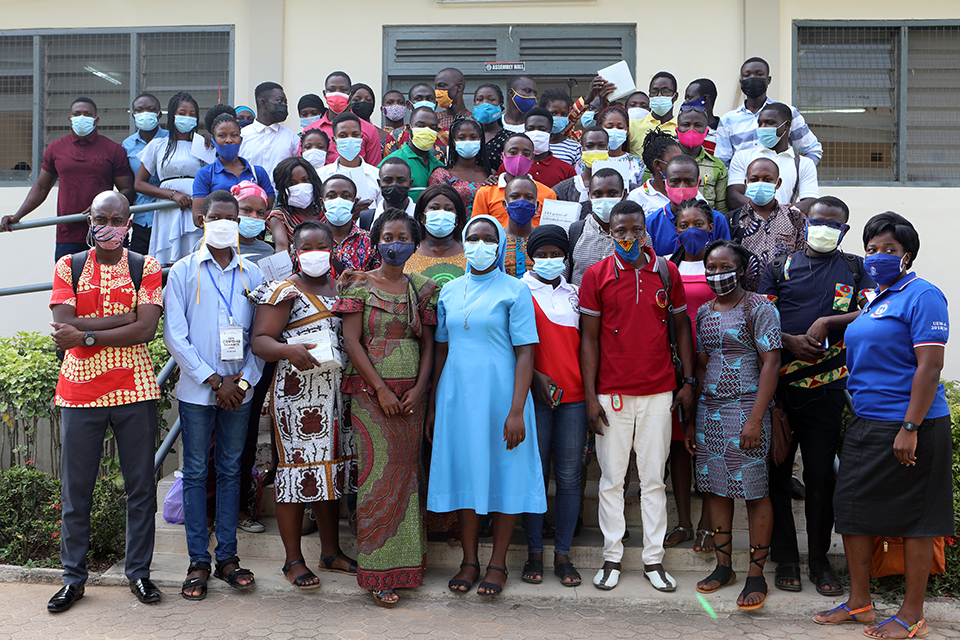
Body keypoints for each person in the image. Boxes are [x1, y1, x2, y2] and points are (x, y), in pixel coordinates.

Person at [814, 212, 951, 639]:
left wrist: (910, 426)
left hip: (912, 425)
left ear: (907, 254)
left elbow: (929, 368)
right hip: (865, 422)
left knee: (915, 521)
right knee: (852, 513)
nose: (877, 257)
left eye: (889, 250)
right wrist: (827, 321)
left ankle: (912, 615)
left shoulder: (923, 295)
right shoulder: (877, 299)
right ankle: (860, 604)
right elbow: (863, 324)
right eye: (871, 250)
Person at [45, 191, 163, 613]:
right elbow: (63, 327)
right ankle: (73, 580)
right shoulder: (69, 264)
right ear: (88, 219)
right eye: (101, 218)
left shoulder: (145, 266)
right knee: (77, 492)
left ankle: (139, 574)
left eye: (118, 218)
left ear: (129, 223)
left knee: (140, 489)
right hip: (79, 393)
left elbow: (146, 331)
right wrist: (122, 320)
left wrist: (88, 333)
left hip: (135, 389)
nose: (109, 226)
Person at [759, 196, 876, 597]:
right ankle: (786, 558)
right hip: (779, 390)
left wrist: (829, 320)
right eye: (817, 220)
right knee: (777, 475)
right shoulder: (779, 267)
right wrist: (787, 340)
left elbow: (874, 309)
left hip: (827, 390)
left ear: (843, 230)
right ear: (805, 223)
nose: (823, 227)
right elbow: (761, 316)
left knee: (822, 478)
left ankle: (820, 561)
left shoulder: (855, 268)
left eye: (833, 223)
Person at [427, 214, 545, 597]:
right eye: (473, 238)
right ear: (465, 242)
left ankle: (497, 564)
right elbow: (441, 351)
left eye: (487, 239)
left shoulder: (515, 290)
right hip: (457, 395)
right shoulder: (448, 290)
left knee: (506, 472)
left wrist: (516, 409)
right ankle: (469, 560)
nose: (480, 246)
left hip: (503, 396)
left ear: (498, 245)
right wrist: (433, 405)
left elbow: (526, 353)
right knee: (465, 473)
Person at [579, 202, 694, 593]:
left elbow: (682, 329)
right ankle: (612, 556)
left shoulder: (666, 271)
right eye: (619, 232)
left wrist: (688, 381)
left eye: (635, 231)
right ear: (610, 233)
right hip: (611, 394)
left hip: (658, 391)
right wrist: (591, 395)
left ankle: (653, 560)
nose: (628, 238)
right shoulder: (596, 274)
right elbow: (589, 339)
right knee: (612, 479)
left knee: (652, 481)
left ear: (646, 231)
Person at [163, 190, 266, 601]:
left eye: (232, 217)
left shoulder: (253, 274)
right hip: (197, 391)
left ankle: (227, 557)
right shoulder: (185, 271)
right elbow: (175, 335)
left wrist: (241, 383)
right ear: (202, 220)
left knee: (230, 470)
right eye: (217, 216)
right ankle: (196, 563)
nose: (225, 223)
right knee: (196, 472)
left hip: (239, 391)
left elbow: (262, 335)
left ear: (239, 223)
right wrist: (212, 380)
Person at [333, 208, 438, 608]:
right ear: (376, 242)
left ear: (414, 243)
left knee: (407, 477)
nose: (396, 244)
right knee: (378, 475)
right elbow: (352, 342)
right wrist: (382, 390)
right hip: (370, 395)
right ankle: (377, 572)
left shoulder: (425, 288)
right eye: (388, 238)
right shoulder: (357, 283)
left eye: (403, 238)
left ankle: (408, 564)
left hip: (412, 396)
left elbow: (428, 344)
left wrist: (419, 389)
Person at [250, 220, 358, 590]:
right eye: (307, 247)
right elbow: (261, 340)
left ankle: (331, 552)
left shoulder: (344, 286)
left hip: (337, 395)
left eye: (321, 246)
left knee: (330, 472)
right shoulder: (284, 290)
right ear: (295, 251)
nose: (315, 253)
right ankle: (293, 559)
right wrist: (287, 351)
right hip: (299, 397)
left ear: (333, 248)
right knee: (298, 473)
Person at [688, 239, 781, 611]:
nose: (717, 273)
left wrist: (756, 418)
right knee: (715, 489)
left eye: (724, 266)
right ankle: (723, 567)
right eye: (710, 267)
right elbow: (700, 363)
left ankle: (756, 574)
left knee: (755, 491)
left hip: (747, 408)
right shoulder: (704, 313)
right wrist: (692, 421)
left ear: (741, 270)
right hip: (709, 410)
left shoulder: (759, 307)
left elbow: (771, 362)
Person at [519, 224, 586, 588]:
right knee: (535, 474)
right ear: (531, 256)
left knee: (570, 477)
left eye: (554, 254)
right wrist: (534, 379)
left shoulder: (576, 294)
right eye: (541, 254)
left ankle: (563, 555)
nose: (548, 260)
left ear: (566, 256)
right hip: (534, 398)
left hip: (574, 399)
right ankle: (534, 551)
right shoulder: (518, 291)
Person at [1, 97, 135, 261]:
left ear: (96, 120)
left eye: (87, 114)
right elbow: (41, 187)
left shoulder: (113, 149)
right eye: (77, 113)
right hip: (67, 234)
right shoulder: (55, 148)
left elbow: (127, 190)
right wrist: (18, 216)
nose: (82, 117)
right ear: (70, 119)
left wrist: (102, 206)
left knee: (108, 284)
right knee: (67, 285)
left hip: (105, 232)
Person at [663, 200, 716, 554]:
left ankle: (709, 524)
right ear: (676, 229)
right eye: (684, 225)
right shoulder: (667, 266)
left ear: (711, 227)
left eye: (699, 223)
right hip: (676, 366)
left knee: (709, 445)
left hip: (716, 364)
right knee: (679, 447)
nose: (691, 230)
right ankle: (683, 520)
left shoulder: (721, 264)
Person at [136, 92, 205, 267]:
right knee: (167, 261)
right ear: (173, 115)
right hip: (168, 208)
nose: (187, 118)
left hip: (194, 208)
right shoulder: (158, 145)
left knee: (193, 259)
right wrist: (172, 194)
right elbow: (139, 183)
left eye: (192, 114)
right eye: (182, 113)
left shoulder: (202, 145)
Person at [715, 57, 823, 168]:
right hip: (743, 184)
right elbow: (722, 163)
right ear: (741, 81)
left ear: (768, 80)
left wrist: (797, 173)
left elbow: (813, 150)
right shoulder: (728, 120)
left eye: (759, 74)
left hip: (782, 184)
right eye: (747, 75)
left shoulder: (788, 113)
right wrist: (737, 182)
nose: (753, 78)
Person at [728, 102, 819, 214]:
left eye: (769, 123)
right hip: (748, 226)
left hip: (786, 227)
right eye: (760, 123)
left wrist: (782, 213)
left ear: (786, 126)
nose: (763, 128)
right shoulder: (742, 156)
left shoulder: (803, 164)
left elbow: (810, 201)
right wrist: (771, 211)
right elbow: (733, 197)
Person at [192, 112, 276, 230]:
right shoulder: (205, 174)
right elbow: (198, 217)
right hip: (219, 239)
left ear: (240, 140)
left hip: (253, 240)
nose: (228, 140)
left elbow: (269, 209)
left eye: (234, 135)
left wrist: (249, 226)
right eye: (222, 135)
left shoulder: (258, 172)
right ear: (214, 140)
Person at [728, 157, 807, 283]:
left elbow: (804, 258)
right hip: (744, 297)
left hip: (785, 294)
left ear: (778, 183)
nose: (760, 183)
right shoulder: (732, 220)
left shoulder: (796, 218)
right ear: (746, 183)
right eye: (754, 179)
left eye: (767, 179)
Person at [645, 155, 731, 257]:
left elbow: (725, 258)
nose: (682, 187)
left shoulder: (717, 220)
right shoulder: (651, 222)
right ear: (665, 184)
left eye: (688, 181)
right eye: (675, 181)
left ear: (698, 184)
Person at [472, 133, 556, 228]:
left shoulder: (548, 194)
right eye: (513, 152)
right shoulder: (485, 193)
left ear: (532, 159)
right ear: (503, 156)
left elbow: (550, 231)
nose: (519, 157)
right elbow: (477, 228)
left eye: (526, 154)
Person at [304, 71, 383, 167]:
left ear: (350, 94)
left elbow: (374, 170)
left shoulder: (369, 130)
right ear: (325, 94)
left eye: (343, 90)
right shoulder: (310, 130)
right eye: (332, 90)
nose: (337, 94)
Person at [122, 93, 168, 254]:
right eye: (139, 110)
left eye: (151, 109)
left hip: (168, 215)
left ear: (159, 114)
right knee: (140, 269)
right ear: (133, 114)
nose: (145, 114)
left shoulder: (171, 140)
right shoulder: (127, 145)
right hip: (142, 219)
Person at [565, 168, 626, 286]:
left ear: (624, 195)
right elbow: (561, 283)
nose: (605, 199)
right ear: (589, 196)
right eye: (598, 194)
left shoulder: (638, 236)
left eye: (612, 193)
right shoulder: (572, 233)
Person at [239, 82, 300, 188]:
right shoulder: (242, 136)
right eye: (280, 101)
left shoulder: (292, 138)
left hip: (281, 201)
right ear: (263, 103)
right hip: (248, 199)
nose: (284, 106)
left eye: (286, 102)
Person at [406, 184, 467, 288]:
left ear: (457, 218)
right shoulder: (408, 252)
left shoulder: (470, 251)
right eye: (434, 208)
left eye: (448, 209)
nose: (441, 213)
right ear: (422, 217)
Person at [496, 107, 575, 189]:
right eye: (530, 129)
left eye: (542, 129)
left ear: (550, 135)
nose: (536, 133)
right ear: (525, 132)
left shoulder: (567, 170)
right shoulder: (507, 166)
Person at [318, 112, 382, 211]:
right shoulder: (321, 175)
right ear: (334, 141)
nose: (350, 139)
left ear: (361, 138)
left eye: (355, 134)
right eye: (343, 135)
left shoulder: (377, 175)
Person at [429, 117, 492, 216]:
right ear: (454, 142)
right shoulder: (441, 176)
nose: (468, 141)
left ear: (480, 140)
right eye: (462, 137)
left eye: (473, 137)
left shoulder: (489, 174)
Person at [380, 106, 444, 203]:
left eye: (432, 127)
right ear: (409, 128)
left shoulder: (439, 166)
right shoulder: (391, 163)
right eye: (421, 126)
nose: (427, 131)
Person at [676, 100, 728, 214]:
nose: (691, 129)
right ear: (677, 129)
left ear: (706, 131)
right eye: (686, 125)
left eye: (698, 125)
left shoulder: (718, 166)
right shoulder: (663, 160)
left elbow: (721, 210)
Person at [320, 174, 379, 272]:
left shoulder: (370, 241)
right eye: (331, 196)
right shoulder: (309, 239)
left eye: (346, 196)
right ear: (322, 202)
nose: (338, 200)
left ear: (355, 202)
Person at [267, 156, 325, 255]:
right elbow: (282, 248)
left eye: (305, 180)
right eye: (292, 183)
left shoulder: (326, 210)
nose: (300, 186)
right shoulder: (279, 217)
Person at [627, 129, 686, 214]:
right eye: (675, 161)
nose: (681, 164)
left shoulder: (689, 190)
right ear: (658, 164)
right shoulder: (637, 197)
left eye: (681, 159)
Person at [582, 105, 642, 187]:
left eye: (620, 127)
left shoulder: (637, 163)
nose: (615, 130)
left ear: (627, 131)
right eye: (609, 127)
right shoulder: (587, 160)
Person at [382, 83, 445, 160]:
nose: (424, 102)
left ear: (435, 104)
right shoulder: (396, 135)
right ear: (409, 105)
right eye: (418, 99)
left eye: (429, 99)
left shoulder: (446, 135)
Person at [552, 127, 610, 208]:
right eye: (590, 146)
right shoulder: (564, 189)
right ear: (581, 151)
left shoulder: (624, 186)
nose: (595, 150)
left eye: (601, 145)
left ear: (608, 149)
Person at [629, 72, 680, 156]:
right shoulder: (633, 125)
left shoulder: (681, 128)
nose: (659, 95)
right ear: (649, 95)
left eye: (665, 91)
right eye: (654, 91)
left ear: (675, 96)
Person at [501, 175, 539, 278]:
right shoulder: (497, 241)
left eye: (529, 197)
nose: (522, 202)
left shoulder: (542, 241)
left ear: (537, 205)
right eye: (515, 196)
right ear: (505, 204)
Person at [539, 87, 582, 166]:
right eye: (553, 113)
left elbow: (579, 176)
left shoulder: (575, 148)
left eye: (564, 114)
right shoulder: (532, 144)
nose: (559, 118)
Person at [232, 180, 273, 262]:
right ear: (233, 211)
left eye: (260, 213)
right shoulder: (216, 245)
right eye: (247, 210)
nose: (254, 216)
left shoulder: (268, 251)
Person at [683, 79, 720, 156]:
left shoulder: (723, 133)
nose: (685, 102)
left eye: (689, 97)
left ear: (705, 99)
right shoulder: (682, 129)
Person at [473, 83, 506, 168]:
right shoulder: (464, 135)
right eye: (480, 99)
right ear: (474, 105)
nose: (485, 104)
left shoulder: (509, 138)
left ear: (500, 105)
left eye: (491, 99)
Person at [374, 157, 415, 223]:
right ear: (379, 183)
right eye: (388, 180)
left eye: (401, 180)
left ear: (410, 184)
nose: (394, 185)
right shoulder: (366, 219)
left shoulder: (422, 217)